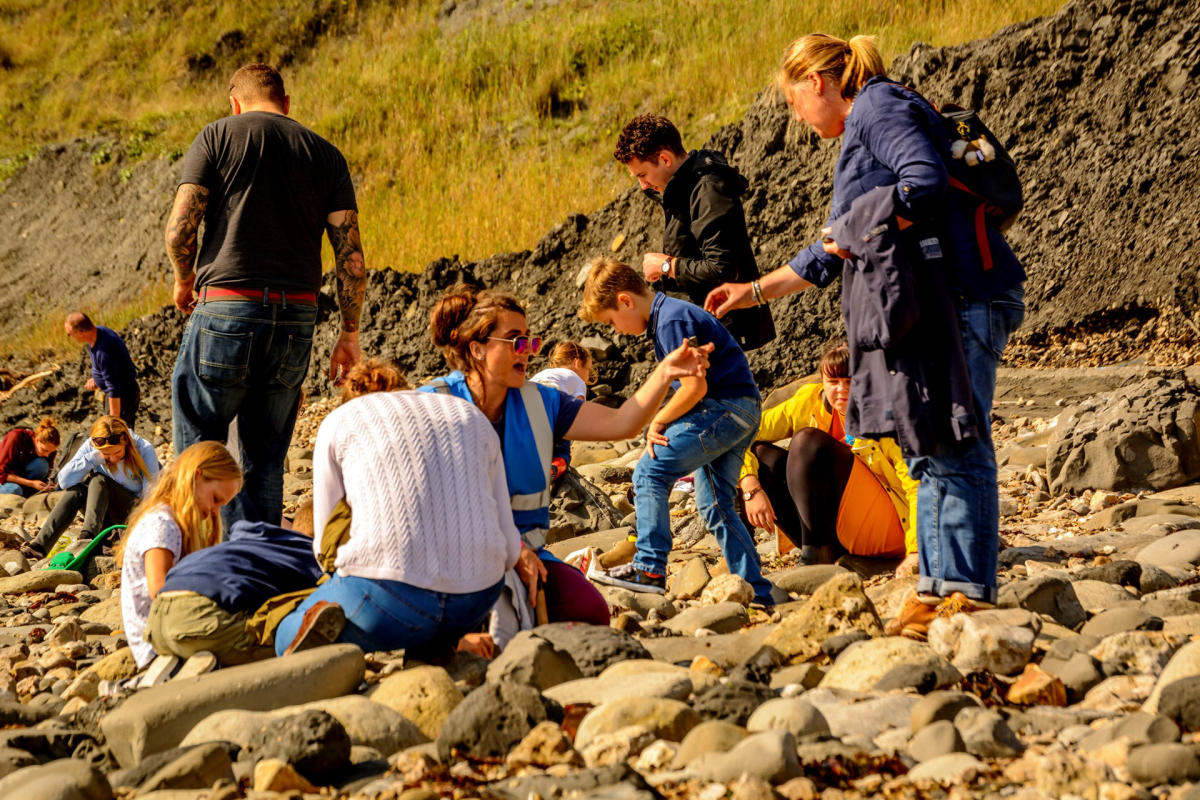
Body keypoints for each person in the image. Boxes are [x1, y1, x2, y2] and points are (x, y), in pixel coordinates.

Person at [705, 34, 1025, 639]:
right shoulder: (867, 123)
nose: (795, 116)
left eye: (793, 100)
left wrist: (858, 225)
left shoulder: (878, 107)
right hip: (940, 300)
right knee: (930, 441)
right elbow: (830, 251)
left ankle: (965, 593)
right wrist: (751, 292)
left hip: (963, 294)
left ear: (817, 83)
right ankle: (937, 590)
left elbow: (923, 184)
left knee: (957, 440)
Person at [421, 284, 714, 647]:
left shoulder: (542, 401)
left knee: (590, 610)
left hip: (526, 556)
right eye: (515, 341)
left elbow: (623, 422)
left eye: (531, 342)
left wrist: (666, 372)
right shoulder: (435, 403)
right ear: (477, 348)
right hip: (448, 556)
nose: (527, 352)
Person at [165, 62, 365, 528]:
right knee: (267, 456)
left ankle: (197, 561)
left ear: (234, 103)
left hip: (228, 306)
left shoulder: (217, 136)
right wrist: (348, 332)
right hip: (297, 316)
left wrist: (183, 278)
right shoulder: (327, 155)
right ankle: (257, 566)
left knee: (199, 443)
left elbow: (179, 231)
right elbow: (351, 259)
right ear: (286, 103)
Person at [580, 258, 773, 606]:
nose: (616, 330)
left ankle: (649, 568)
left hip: (724, 408)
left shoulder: (671, 320)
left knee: (649, 471)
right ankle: (757, 589)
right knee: (714, 504)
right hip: (742, 408)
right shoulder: (669, 315)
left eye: (611, 321)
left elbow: (694, 388)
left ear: (625, 300)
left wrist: (659, 420)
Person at [274, 390, 521, 658]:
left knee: (285, 634)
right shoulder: (471, 414)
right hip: (477, 596)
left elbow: (324, 548)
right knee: (433, 618)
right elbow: (510, 549)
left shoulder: (339, 420)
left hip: (386, 598)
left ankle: (352, 642)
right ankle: (434, 651)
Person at [739, 342, 919, 568]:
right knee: (764, 456)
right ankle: (817, 549)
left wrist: (915, 549)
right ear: (822, 381)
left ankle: (816, 556)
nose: (841, 390)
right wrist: (749, 486)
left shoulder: (884, 416)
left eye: (849, 381)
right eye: (833, 382)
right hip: (837, 529)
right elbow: (743, 433)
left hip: (887, 529)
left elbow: (915, 482)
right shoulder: (809, 402)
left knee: (807, 442)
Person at [614, 114, 775, 352]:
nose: (643, 185)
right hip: (708, 327)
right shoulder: (683, 185)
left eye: (642, 175)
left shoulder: (707, 189)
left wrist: (667, 266)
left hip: (723, 333)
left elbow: (722, 267)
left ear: (665, 159)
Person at [146, 499, 322, 666]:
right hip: (200, 618)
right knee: (310, 635)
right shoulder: (309, 557)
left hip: (155, 623)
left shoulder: (254, 540)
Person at [116, 441, 243, 668]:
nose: (215, 511)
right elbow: (160, 589)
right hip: (156, 643)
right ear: (196, 477)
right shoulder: (161, 523)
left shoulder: (172, 522)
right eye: (215, 499)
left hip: (165, 632)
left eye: (221, 505)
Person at [22, 416, 160, 560]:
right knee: (76, 491)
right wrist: (93, 459)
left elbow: (152, 495)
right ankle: (39, 546)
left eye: (118, 453)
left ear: (125, 443)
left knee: (99, 480)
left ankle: (87, 537)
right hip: (104, 517)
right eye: (106, 455)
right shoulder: (90, 446)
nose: (113, 459)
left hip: (133, 516)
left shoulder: (143, 448)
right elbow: (64, 482)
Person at [65, 313, 140, 428]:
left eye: (69, 334)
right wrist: (97, 378)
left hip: (122, 398)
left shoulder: (103, 352)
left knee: (119, 437)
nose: (70, 337)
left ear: (80, 332)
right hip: (121, 392)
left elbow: (114, 389)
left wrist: (114, 420)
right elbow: (112, 368)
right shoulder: (99, 333)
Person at [0, 418, 60, 498]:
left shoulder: (49, 451)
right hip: (4, 480)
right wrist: (31, 483)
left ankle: (28, 495)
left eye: (51, 452)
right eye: (44, 450)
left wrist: (48, 484)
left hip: (23, 479)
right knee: (14, 490)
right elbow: (1, 473)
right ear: (37, 440)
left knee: (42, 464)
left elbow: (48, 473)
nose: (47, 455)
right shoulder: (16, 437)